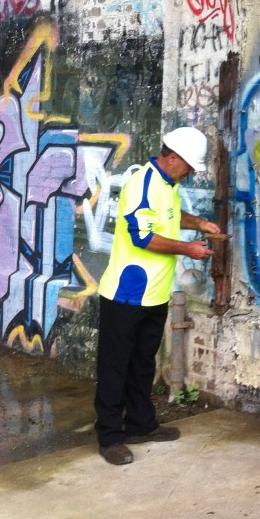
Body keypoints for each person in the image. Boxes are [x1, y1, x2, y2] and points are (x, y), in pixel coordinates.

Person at [94, 126, 220, 465]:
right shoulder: (143, 183)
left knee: (142, 363)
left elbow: (171, 216)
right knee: (115, 366)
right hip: (126, 294)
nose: (192, 172)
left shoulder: (168, 186)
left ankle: (141, 424)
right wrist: (188, 249)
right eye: (190, 166)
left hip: (154, 294)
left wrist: (200, 224)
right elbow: (141, 236)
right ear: (173, 158)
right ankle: (109, 436)